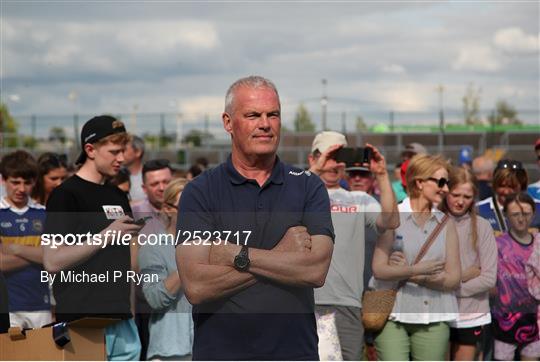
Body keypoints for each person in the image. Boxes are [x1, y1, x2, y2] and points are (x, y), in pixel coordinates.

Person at [175, 76, 334, 360]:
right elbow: (197, 287)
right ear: (228, 122)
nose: (265, 124)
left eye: (273, 114)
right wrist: (282, 255)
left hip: (294, 352)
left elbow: (314, 271)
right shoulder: (200, 191)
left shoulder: (308, 186)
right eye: (253, 115)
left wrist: (235, 254)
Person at [42, 115, 143, 360]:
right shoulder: (65, 195)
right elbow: (53, 261)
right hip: (83, 322)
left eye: (123, 151)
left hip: (122, 321)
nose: (121, 159)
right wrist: (107, 235)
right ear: (90, 149)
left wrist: (129, 311)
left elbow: (126, 263)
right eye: (114, 151)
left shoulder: (118, 195)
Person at [307, 131, 399, 360]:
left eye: (339, 156)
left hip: (347, 303)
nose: (333, 163)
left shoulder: (358, 199)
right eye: (327, 156)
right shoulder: (301, 193)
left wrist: (381, 175)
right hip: (305, 302)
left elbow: (391, 221)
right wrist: (315, 171)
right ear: (312, 159)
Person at [371, 154, 461, 361]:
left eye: (447, 183)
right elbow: (379, 269)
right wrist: (421, 270)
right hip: (390, 315)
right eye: (440, 182)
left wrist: (407, 273)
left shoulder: (447, 224)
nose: (446, 189)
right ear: (419, 182)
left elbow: (453, 279)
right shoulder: (394, 217)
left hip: (434, 318)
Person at [439, 167, 497, 360]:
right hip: (438, 311)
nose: (460, 201)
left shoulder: (482, 226)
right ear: (446, 191)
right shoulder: (434, 222)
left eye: (467, 196)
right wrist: (467, 274)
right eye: (455, 194)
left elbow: (488, 278)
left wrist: (450, 288)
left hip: (471, 312)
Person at [139, 178, 194, 360]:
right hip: (168, 351)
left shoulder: (211, 244)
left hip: (203, 347)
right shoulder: (153, 246)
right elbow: (154, 298)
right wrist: (188, 264)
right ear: (168, 209)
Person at [0, 150, 52, 328]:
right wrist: (36, 254)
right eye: (15, 182)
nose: (21, 189)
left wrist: (15, 248)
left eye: (27, 183)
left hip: (40, 305)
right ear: (3, 180)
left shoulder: (44, 213)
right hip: (8, 307)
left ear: (34, 182)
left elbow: (53, 257)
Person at [492, 192, 539, 361]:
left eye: (526, 214)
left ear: (533, 213)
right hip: (504, 319)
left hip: (535, 318)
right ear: (506, 215)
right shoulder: (497, 244)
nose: (521, 219)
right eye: (515, 214)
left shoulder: (539, 242)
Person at [477, 159, 540, 234]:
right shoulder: (479, 210)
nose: (506, 192)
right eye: (502, 186)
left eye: (512, 187)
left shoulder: (538, 208)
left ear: (522, 185)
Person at [124, 135, 146, 204]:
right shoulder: (114, 177)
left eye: (124, 150)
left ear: (138, 152)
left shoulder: (150, 176)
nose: (120, 154)